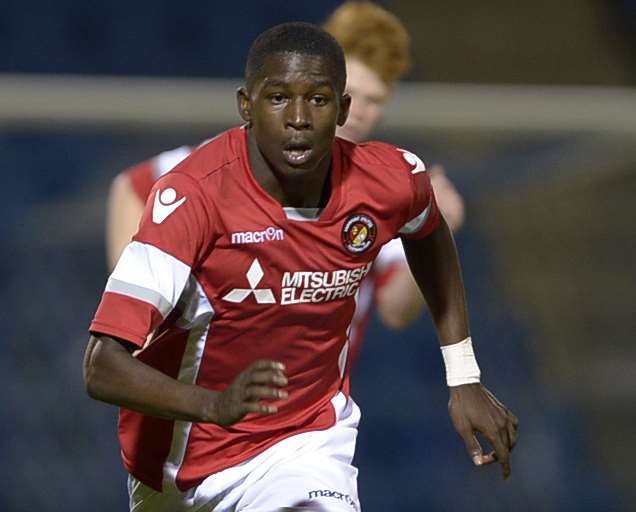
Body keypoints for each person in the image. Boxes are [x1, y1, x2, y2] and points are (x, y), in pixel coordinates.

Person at [85, 22, 517, 511]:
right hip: (174, 469)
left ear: (343, 109)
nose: (298, 118)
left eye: (318, 99)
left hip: (303, 444)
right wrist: (213, 403)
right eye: (277, 99)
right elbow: (101, 367)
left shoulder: (388, 179)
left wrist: (463, 374)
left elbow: (428, 229)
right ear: (246, 106)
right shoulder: (192, 197)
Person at [105, 2, 465, 361]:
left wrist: (438, 223)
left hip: (311, 394)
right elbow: (133, 186)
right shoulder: (223, 167)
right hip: (209, 381)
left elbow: (395, 309)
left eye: (374, 100)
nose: (359, 111)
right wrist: (144, 301)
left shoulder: (381, 190)